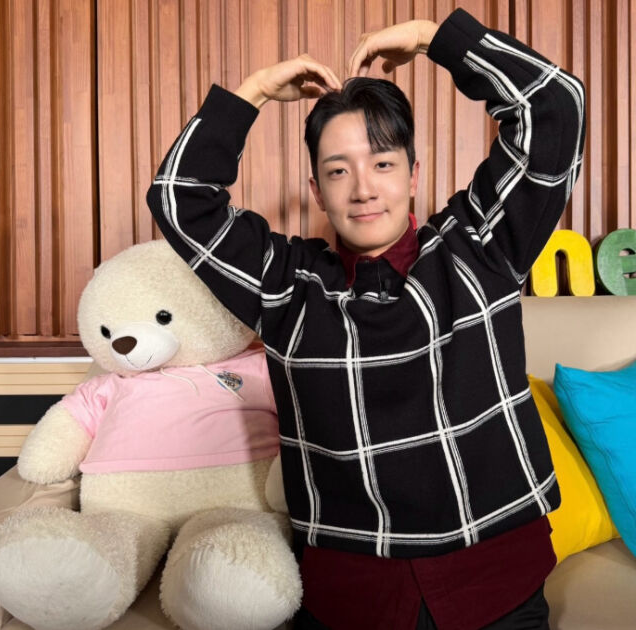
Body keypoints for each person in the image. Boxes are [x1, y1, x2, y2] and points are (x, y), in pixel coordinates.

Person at [146, 7, 585, 630]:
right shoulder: (287, 286)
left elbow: (554, 104)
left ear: (413, 174)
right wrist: (255, 91)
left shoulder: (479, 249)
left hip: (496, 589)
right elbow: (178, 197)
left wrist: (434, 38)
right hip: (351, 600)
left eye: (382, 163)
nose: (362, 188)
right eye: (338, 170)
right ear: (317, 190)